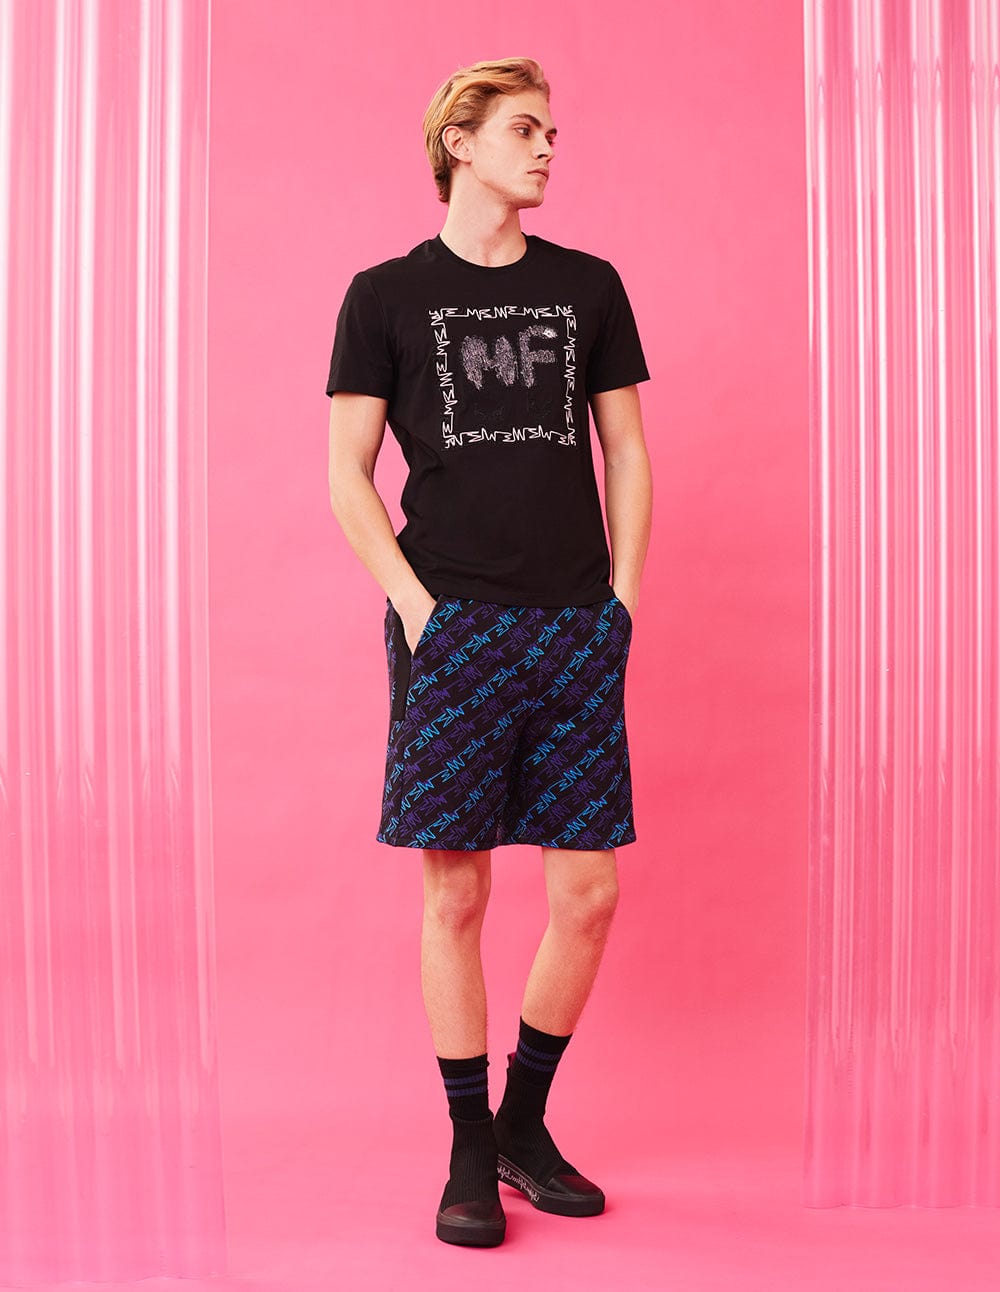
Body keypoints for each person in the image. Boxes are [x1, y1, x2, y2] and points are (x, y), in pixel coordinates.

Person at [325, 55, 652, 1248]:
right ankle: (469, 1146)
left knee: (587, 890)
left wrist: (619, 603)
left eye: (552, 131)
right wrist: (419, 611)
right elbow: (346, 473)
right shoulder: (383, 297)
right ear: (458, 142)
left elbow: (627, 450)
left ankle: (523, 1121)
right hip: (453, 624)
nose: (549, 147)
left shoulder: (588, 286)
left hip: (573, 625)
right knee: (456, 889)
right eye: (525, 129)